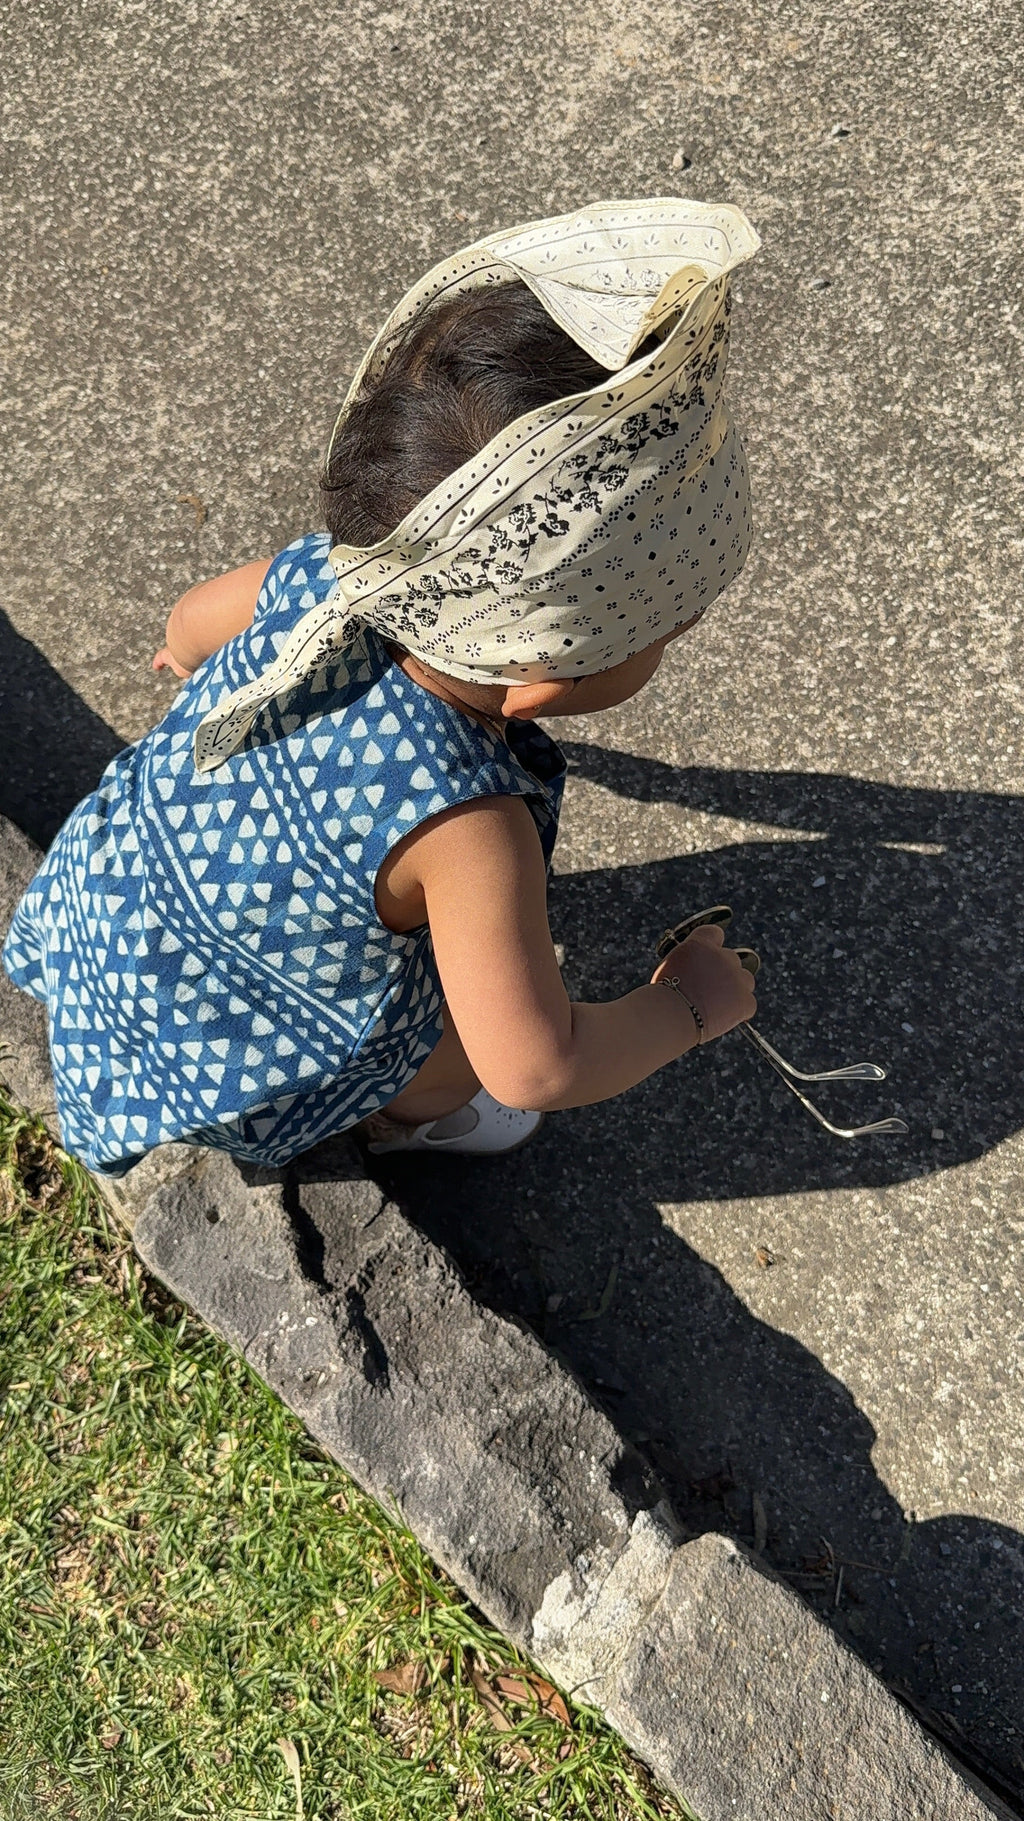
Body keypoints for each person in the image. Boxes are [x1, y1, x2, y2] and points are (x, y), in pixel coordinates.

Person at [3, 199, 760, 1175]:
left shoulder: (328, 574)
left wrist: (199, 670)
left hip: (111, 919)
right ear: (532, 686)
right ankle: (414, 1117)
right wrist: (689, 1005)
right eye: (667, 627)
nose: (679, 633)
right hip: (223, 1056)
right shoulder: (468, 828)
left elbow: (191, 623)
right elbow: (535, 1064)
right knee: (453, 1058)